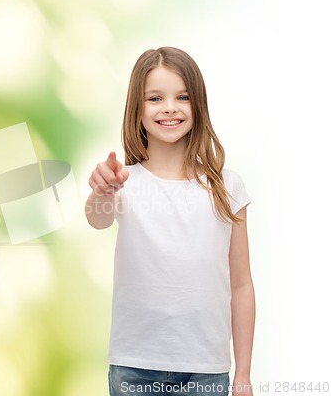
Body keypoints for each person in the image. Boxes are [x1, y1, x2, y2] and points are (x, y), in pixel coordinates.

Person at [85, 47, 255, 396]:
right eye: (155, 98)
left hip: (207, 370)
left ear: (198, 106)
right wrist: (102, 189)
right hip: (135, 366)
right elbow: (97, 220)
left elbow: (241, 285)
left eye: (183, 97)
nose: (170, 107)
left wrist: (243, 375)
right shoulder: (124, 182)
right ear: (138, 108)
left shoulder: (226, 186)